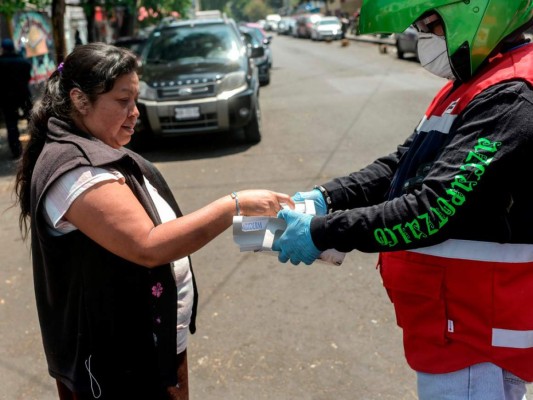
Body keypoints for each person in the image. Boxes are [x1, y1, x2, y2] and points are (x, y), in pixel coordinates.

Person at [273, 1, 533, 399]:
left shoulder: (509, 96)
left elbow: (435, 207)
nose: (423, 38)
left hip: (474, 337)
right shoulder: (472, 85)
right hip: (451, 326)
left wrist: (324, 232)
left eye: (431, 25)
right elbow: (402, 164)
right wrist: (326, 197)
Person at [14, 42, 292, 400]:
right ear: (80, 100)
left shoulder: (100, 150)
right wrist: (233, 206)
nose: (135, 112)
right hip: (117, 364)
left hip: (148, 347)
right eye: (122, 101)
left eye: (136, 100)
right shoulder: (76, 172)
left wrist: (267, 230)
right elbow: (149, 245)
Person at [0, 38, 32, 158]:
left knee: (11, 125)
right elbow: (28, 77)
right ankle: (37, 145)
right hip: (23, 95)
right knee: (32, 120)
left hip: (6, 98)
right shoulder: (23, 61)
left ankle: (16, 151)